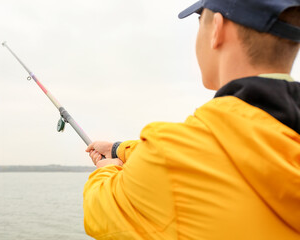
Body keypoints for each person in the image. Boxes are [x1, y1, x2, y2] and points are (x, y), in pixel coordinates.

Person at [83, 0, 300, 239]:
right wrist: (118, 149)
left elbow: (101, 212)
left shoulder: (168, 155)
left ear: (216, 29)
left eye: (200, 21)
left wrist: (107, 169)